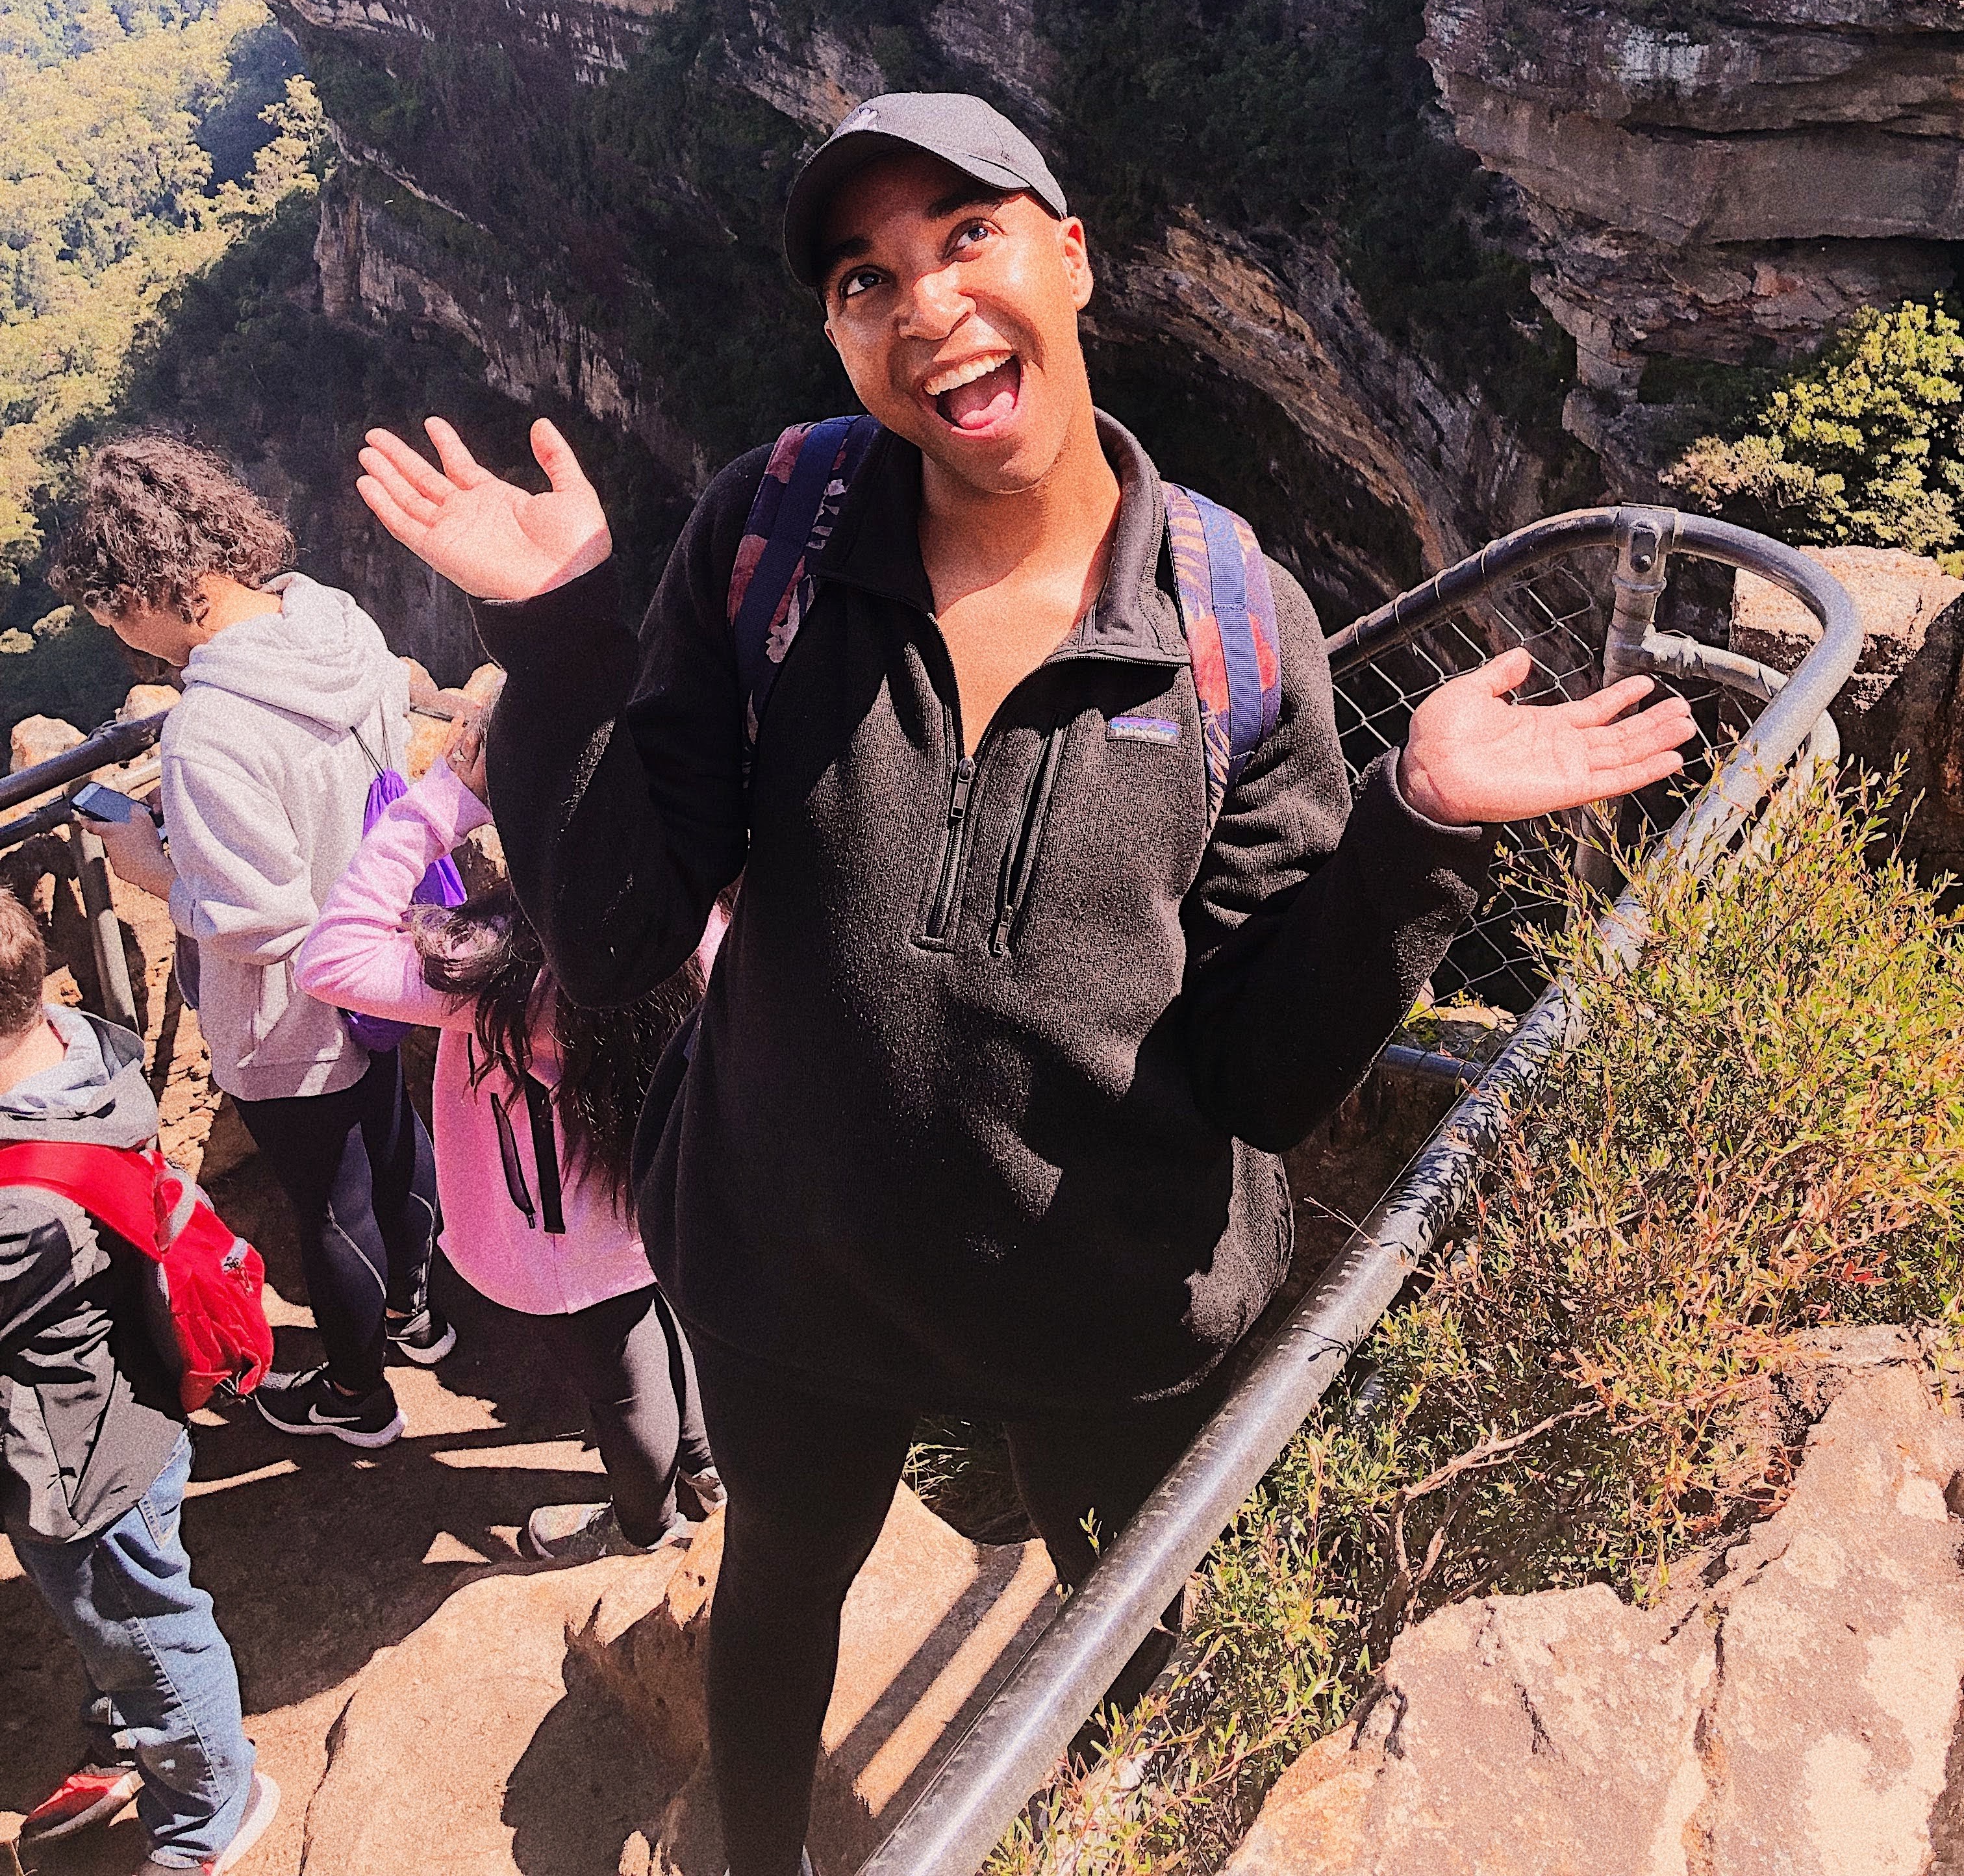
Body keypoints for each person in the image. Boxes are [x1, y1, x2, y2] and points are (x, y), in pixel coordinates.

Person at [354, 92, 1696, 1876]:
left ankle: (1131, 1842)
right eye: (865, 276)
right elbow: (606, 942)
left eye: (964, 236)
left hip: (1100, 1293)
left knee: (1129, 1610)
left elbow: (1261, 1074)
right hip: (791, 1258)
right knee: (780, 1591)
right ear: (839, 334)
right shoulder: (774, 540)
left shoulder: (1229, 620)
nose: (922, 303)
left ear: (1067, 256)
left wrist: (1419, 827)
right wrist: (559, 641)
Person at [53, 434, 447, 1451]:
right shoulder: (334, 620)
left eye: (114, 615)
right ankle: (425, 1316)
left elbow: (257, 921)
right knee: (398, 1140)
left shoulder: (210, 730)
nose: (123, 641)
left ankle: (361, 1400)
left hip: (292, 1014)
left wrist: (150, 867)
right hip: (385, 947)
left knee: (330, 1205)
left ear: (147, 588)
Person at [294, 705, 724, 1560]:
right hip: (674, 1188)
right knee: (677, 1320)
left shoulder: (502, 971)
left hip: (571, 1238)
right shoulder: (706, 913)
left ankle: (645, 1527)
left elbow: (330, 956)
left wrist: (446, 798)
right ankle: (709, 1471)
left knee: (623, 1387)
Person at [0, 889, 280, 1874]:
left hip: (78, 1460)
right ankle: (131, 1731)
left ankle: (213, 1810)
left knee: (149, 1627)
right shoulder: (84, 1046)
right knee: (123, 1611)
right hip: (137, 1394)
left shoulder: (15, 1205)